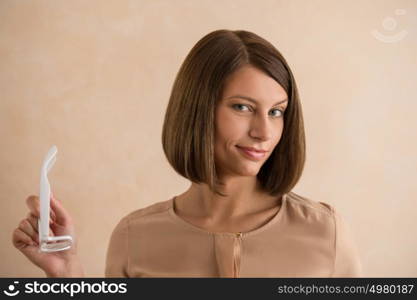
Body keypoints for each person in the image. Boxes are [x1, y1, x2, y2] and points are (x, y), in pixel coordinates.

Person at [12, 29, 363, 277]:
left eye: (276, 111)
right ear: (197, 110)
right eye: (242, 107)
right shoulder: (135, 237)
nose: (264, 132)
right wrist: (66, 273)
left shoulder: (324, 232)